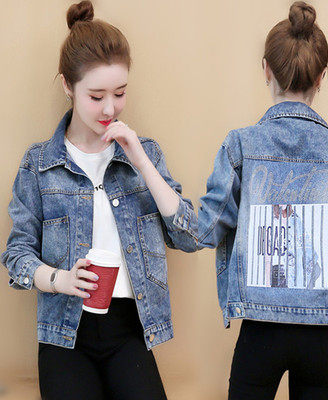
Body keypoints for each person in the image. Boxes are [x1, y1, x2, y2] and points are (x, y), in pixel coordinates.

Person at [195, 2, 328, 399]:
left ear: (266, 69)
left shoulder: (240, 145)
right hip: (319, 339)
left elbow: (207, 228)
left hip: (258, 333)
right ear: (322, 77)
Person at [1, 2, 196, 399]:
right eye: (96, 96)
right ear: (67, 86)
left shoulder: (146, 155)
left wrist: (140, 160)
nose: (110, 108)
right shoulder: (39, 164)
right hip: (64, 332)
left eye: (120, 93)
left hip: (130, 329)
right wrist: (59, 280)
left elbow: (189, 235)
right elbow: (17, 255)